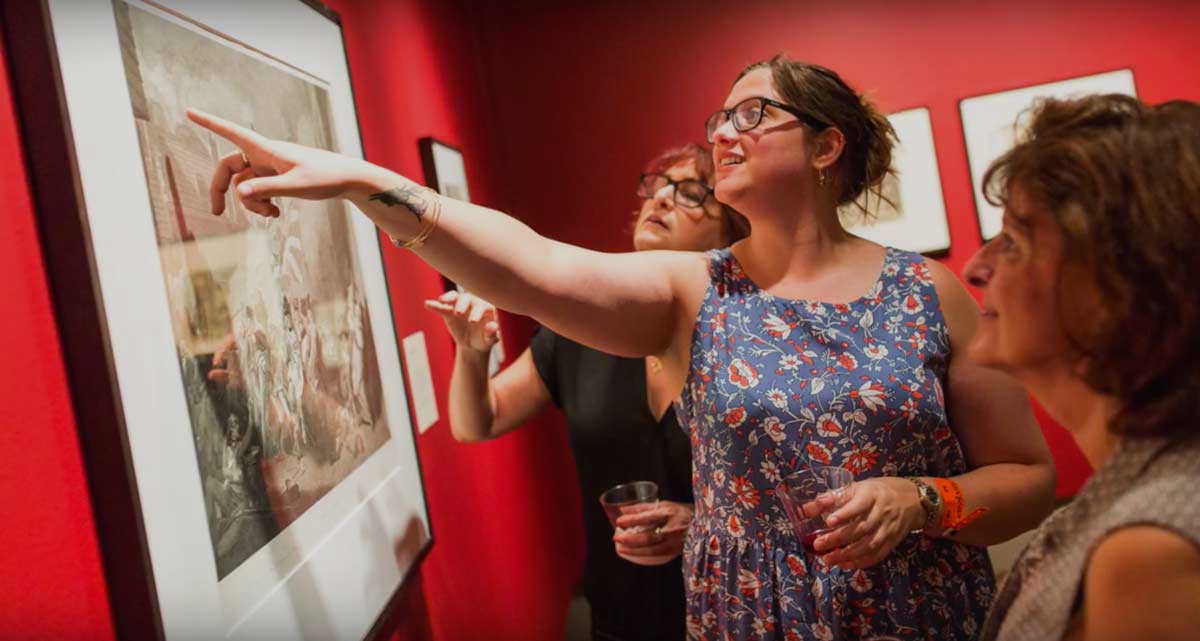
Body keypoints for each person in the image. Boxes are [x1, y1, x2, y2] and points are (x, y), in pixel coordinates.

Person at [187, 54, 1056, 640]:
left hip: (919, 616)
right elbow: (529, 265)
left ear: (828, 145)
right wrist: (362, 180)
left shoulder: (927, 292)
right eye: (721, 116)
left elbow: (1027, 477)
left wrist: (921, 499)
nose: (724, 132)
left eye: (756, 113)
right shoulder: (694, 290)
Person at [424, 143, 748, 641]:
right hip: (619, 611)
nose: (660, 201)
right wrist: (470, 353)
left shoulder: (754, 337)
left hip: (736, 607)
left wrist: (701, 522)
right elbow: (477, 422)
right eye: (655, 188)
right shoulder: (580, 328)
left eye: (689, 193)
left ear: (732, 228)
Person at [962, 95, 1200, 641]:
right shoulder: (1137, 485)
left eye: (1014, 244)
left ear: (1114, 290)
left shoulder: (1151, 549)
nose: (977, 267)